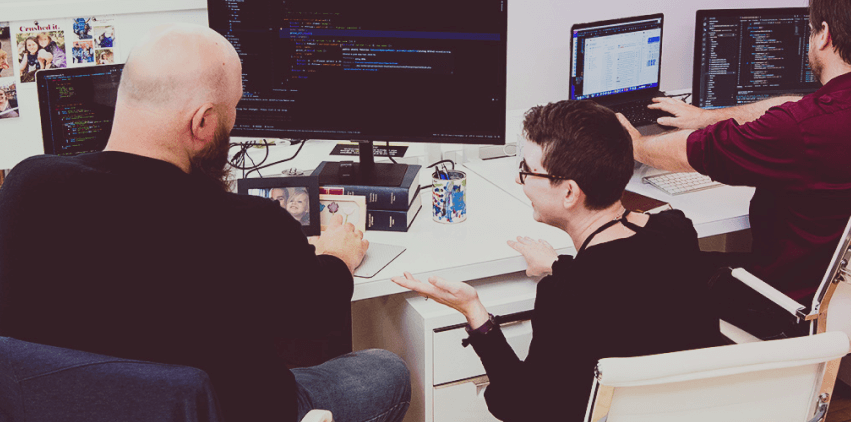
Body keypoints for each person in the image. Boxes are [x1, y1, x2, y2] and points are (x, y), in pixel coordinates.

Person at [0, 23, 409, 422]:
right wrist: (337, 256)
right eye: (234, 109)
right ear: (202, 123)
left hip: (68, 407)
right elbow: (315, 315)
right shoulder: (248, 224)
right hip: (236, 408)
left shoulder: (25, 183)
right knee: (386, 370)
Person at [620, 0, 851, 339]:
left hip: (791, 309)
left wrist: (635, 145)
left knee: (659, 263)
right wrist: (706, 117)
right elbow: (799, 108)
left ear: (824, 37)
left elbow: (696, 150)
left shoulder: (803, 131)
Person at [391, 100, 725, 422]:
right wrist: (558, 266)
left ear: (569, 192)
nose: (518, 181)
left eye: (526, 171)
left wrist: (475, 312)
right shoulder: (677, 231)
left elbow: (516, 405)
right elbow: (622, 280)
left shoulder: (566, 295)